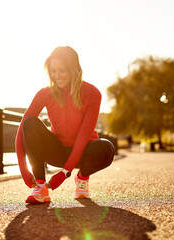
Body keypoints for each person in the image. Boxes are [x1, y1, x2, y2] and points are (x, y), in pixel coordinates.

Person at [15, 46, 115, 204]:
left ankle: (82, 178)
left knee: (107, 148)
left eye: (62, 70)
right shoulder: (44, 94)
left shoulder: (92, 93)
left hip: (84, 152)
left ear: (73, 69)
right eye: (53, 71)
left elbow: (83, 136)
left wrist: (64, 173)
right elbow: (22, 129)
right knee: (30, 123)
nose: (57, 76)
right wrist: (24, 169)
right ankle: (41, 188)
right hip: (57, 150)